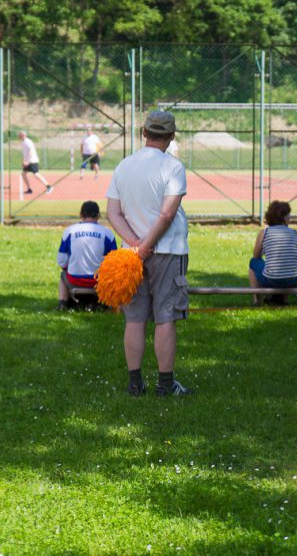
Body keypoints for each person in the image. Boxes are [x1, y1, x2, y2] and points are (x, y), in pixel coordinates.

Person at [106, 110, 191, 397]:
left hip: (131, 256)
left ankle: (134, 383)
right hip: (167, 250)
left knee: (135, 318)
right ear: (171, 136)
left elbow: (112, 212)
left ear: (144, 132)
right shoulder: (173, 167)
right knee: (165, 317)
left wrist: (135, 246)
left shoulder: (124, 166)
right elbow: (167, 214)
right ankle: (165, 385)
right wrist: (147, 246)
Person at [56, 200, 118, 310]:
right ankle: (109, 304)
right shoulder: (107, 233)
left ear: (81, 214)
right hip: (99, 282)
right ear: (98, 215)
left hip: (74, 280)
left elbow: (61, 261)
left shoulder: (70, 231)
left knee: (62, 275)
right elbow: (114, 263)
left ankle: (63, 303)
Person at [249, 200, 297, 306]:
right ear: (283, 217)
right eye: (289, 215)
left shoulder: (264, 232)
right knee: (287, 265)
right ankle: (284, 300)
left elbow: (256, 256)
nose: (290, 218)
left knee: (253, 262)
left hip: (271, 279)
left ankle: (256, 300)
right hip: (295, 279)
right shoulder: (295, 233)